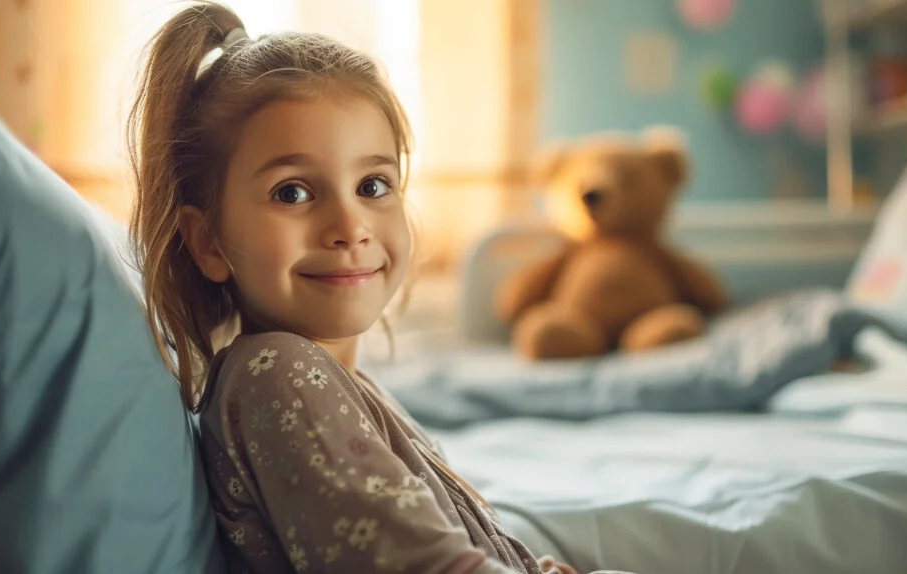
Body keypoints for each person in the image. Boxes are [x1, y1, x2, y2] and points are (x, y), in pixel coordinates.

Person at [128, 3, 628, 573]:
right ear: (209, 242)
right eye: (292, 192)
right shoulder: (276, 374)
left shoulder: (334, 382)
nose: (349, 228)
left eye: (372, 184)